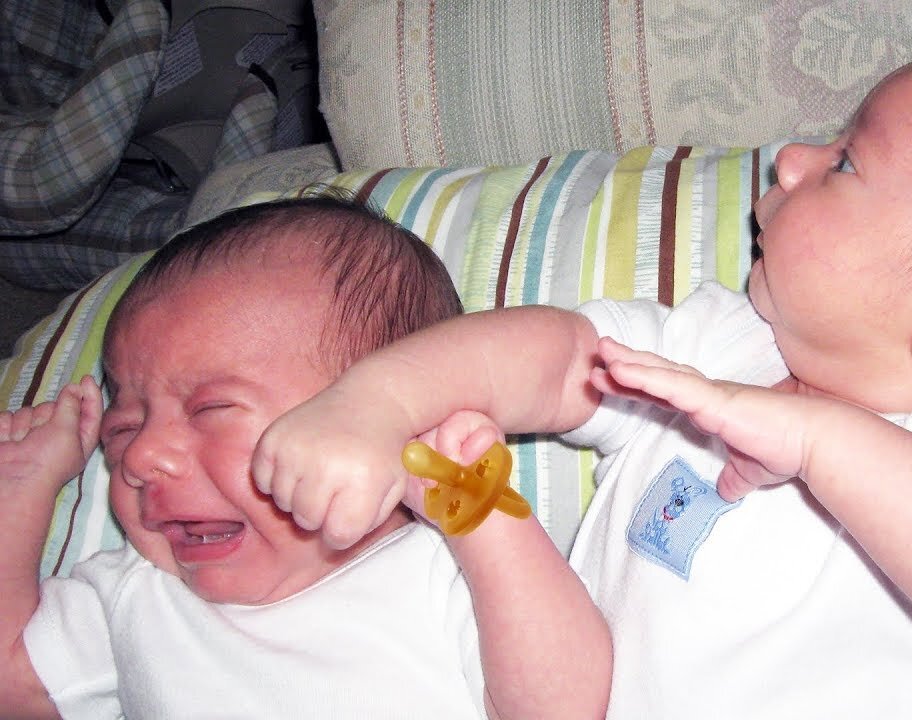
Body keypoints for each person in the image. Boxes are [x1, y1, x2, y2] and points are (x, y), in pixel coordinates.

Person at [251, 49, 912, 718]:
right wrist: (375, 404)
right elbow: (549, 354)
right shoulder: (724, 341)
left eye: (844, 161)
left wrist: (817, 442)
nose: (790, 158)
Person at [0, 194, 611, 719]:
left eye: (211, 410)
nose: (141, 457)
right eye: (122, 428)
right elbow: (13, 682)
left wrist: (482, 519)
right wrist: (24, 486)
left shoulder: (442, 571)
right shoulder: (137, 592)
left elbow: (564, 706)